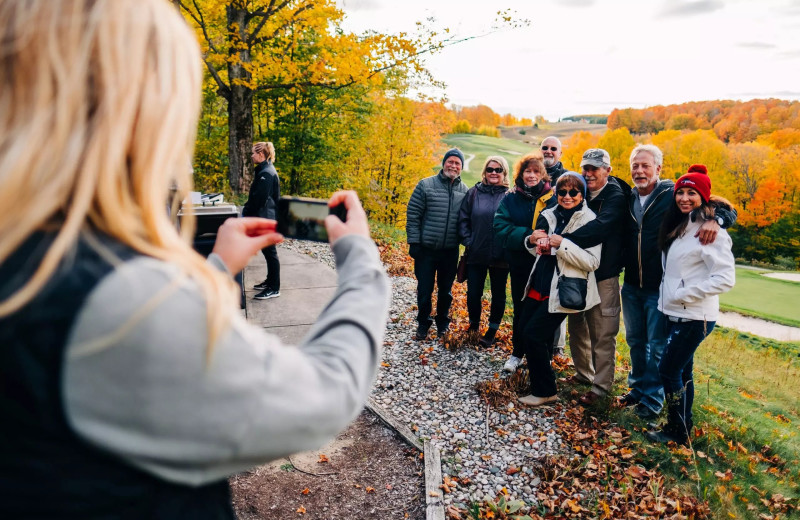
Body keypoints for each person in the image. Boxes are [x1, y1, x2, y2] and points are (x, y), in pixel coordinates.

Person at [0, 1, 390, 518]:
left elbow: (138, 342)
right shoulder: (121, 299)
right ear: (136, 109)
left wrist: (217, 268)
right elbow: (326, 394)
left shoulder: (31, 256)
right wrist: (360, 258)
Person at [620, 145, 737, 421]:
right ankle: (639, 392)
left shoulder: (670, 193)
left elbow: (719, 204)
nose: (639, 171)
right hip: (634, 285)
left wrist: (718, 219)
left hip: (665, 294)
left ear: (658, 169)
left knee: (660, 353)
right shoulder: (626, 197)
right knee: (637, 342)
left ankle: (653, 401)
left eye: (646, 165)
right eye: (635, 165)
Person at [646, 165, 735, 444]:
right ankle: (683, 426)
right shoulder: (683, 225)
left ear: (704, 196)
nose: (684, 198)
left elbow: (725, 279)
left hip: (696, 316)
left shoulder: (711, 232)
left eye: (692, 193)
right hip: (676, 313)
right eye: (680, 192)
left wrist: (685, 294)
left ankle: (676, 430)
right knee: (682, 371)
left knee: (669, 370)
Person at [517, 173, 602, 407]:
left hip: (564, 289)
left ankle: (545, 391)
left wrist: (562, 244)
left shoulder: (589, 220)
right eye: (562, 192)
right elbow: (537, 250)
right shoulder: (550, 214)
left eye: (573, 192)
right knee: (527, 332)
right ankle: (539, 381)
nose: (567, 196)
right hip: (540, 282)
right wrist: (532, 241)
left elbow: (592, 262)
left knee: (533, 334)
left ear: (582, 195)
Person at [560, 149, 628, 405]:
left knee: (602, 331)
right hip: (578, 271)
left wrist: (564, 241)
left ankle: (600, 388)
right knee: (578, 327)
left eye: (595, 169)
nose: (589, 174)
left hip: (604, 275)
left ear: (607, 171)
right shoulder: (579, 190)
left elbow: (602, 228)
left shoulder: (615, 196)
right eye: (585, 168)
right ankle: (583, 373)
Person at [494, 153, 555, 371]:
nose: (532, 175)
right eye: (528, 171)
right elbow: (500, 227)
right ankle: (516, 353)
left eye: (536, 171)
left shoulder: (553, 197)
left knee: (544, 309)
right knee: (521, 308)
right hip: (520, 263)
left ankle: (543, 355)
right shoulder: (510, 198)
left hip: (545, 264)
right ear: (521, 173)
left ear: (543, 174)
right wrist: (527, 236)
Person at [407, 148, 469, 340]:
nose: (453, 165)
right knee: (425, 289)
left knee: (446, 291)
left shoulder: (465, 191)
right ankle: (423, 323)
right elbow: (413, 215)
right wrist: (414, 241)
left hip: (449, 251)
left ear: (461, 168)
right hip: (426, 250)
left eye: (457, 163)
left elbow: (467, 220)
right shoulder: (425, 185)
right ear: (444, 163)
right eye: (450, 161)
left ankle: (442, 323)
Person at [458, 156, 511, 347]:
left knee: (498, 294)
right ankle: (473, 325)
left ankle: (492, 330)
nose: (494, 173)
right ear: (485, 172)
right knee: (473, 293)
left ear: (504, 172)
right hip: (476, 252)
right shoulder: (473, 193)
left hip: (501, 255)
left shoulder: (510, 195)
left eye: (498, 170)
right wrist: (468, 241)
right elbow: (463, 219)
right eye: (490, 169)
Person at [242, 141, 282, 299]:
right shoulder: (265, 170)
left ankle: (274, 288)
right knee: (267, 252)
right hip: (266, 217)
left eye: (253, 153)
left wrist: (246, 212)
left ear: (261, 154)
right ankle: (270, 281)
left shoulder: (266, 173)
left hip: (266, 219)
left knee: (270, 252)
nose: (251, 155)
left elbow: (258, 200)